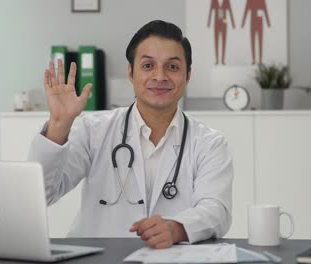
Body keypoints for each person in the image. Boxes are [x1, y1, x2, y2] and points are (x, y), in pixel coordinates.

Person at [28, 20, 233, 249]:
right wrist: (58, 124)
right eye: (148, 66)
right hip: (99, 258)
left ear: (188, 75)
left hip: (172, 257)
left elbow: (217, 210)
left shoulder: (209, 143)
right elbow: (40, 194)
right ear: (130, 72)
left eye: (172, 67)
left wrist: (176, 228)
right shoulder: (93, 130)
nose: (160, 76)